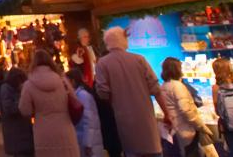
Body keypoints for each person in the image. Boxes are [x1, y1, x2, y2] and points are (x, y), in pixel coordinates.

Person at [94, 27, 170, 157]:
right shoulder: (139, 60)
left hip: (123, 123)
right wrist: (167, 113)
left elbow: (103, 93)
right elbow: (156, 89)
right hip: (147, 122)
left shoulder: (102, 64)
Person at [18, 49, 80, 157]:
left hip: (43, 131)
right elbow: (74, 99)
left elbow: (25, 110)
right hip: (65, 128)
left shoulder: (29, 85)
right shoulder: (62, 80)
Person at [159, 58, 211, 157]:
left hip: (172, 130)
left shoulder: (163, 86)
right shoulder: (178, 86)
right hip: (184, 130)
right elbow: (187, 110)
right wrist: (201, 127)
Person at [67, 69, 104, 157]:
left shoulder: (82, 96)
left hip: (88, 143)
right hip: (85, 140)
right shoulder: (80, 95)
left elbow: (89, 121)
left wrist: (88, 143)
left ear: (72, 81)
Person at [0, 66, 33, 157]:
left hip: (23, 129)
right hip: (15, 130)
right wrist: (23, 99)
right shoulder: (6, 88)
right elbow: (9, 108)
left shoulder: (12, 88)